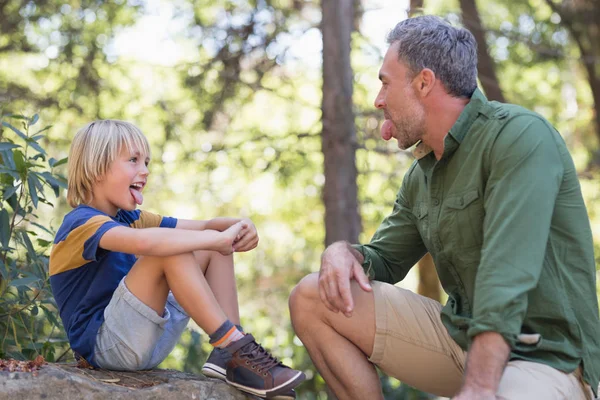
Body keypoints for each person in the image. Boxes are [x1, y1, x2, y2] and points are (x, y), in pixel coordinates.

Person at [289, 15, 600, 400]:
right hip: (461, 341)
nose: (378, 100)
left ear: (424, 82)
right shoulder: (422, 175)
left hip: (548, 359)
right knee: (313, 297)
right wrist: (342, 252)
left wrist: (479, 388)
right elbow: (382, 260)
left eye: (386, 82)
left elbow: (507, 273)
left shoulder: (520, 137)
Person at [49, 120, 304, 399]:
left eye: (146, 162)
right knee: (172, 248)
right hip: (105, 348)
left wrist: (242, 225)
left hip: (143, 339)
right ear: (96, 167)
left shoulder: (130, 218)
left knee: (206, 245)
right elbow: (149, 243)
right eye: (133, 160)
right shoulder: (80, 224)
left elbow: (208, 226)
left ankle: (234, 356)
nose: (144, 171)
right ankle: (233, 346)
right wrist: (215, 238)